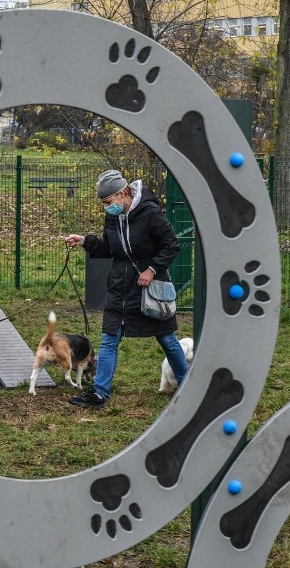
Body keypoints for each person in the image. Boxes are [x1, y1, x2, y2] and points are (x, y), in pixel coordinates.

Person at [64, 169, 189, 409]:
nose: (106, 207)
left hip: (149, 289)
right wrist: (85, 241)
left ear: (122, 193)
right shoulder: (113, 217)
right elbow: (110, 250)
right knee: (109, 339)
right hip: (119, 288)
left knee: (166, 338)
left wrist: (152, 269)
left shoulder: (151, 214)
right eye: (103, 203)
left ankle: (187, 384)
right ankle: (100, 393)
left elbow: (171, 245)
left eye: (108, 201)